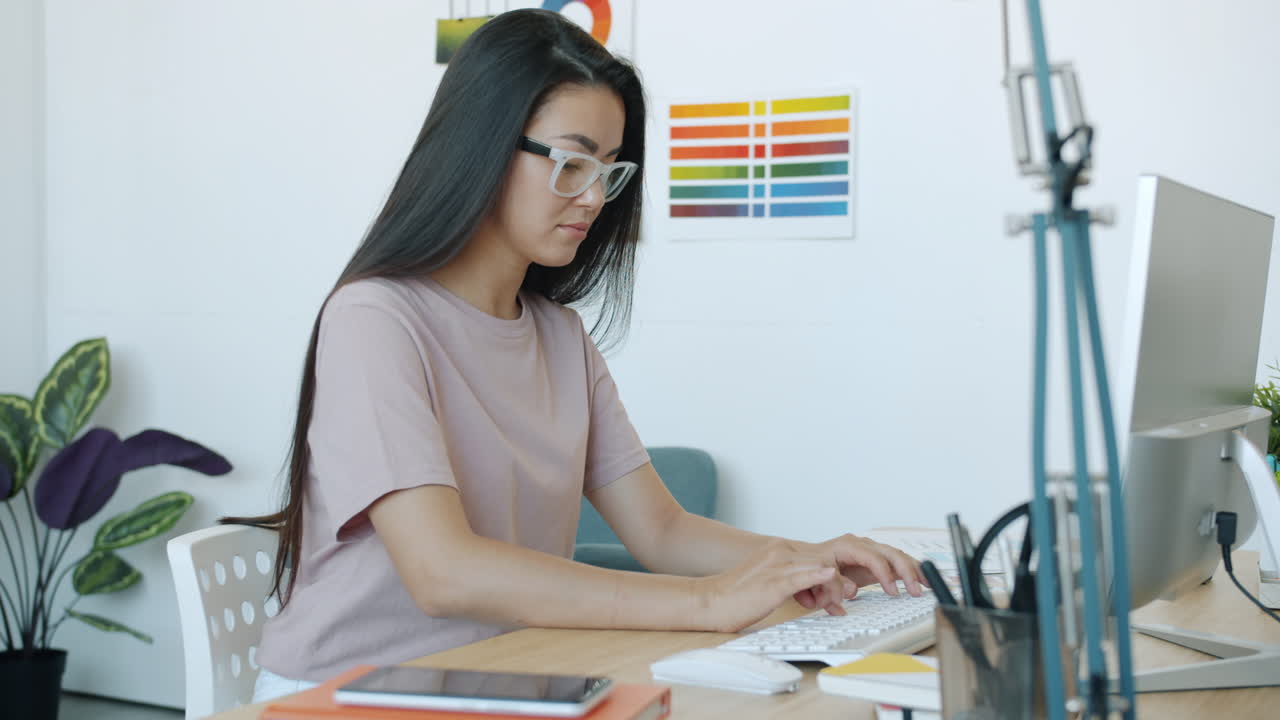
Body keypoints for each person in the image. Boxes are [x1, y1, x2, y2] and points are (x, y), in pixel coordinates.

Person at [227, 8, 926, 702]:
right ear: (483, 146)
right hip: (350, 697)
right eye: (571, 162)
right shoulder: (375, 319)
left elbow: (662, 530)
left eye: (610, 170)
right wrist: (706, 603)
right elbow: (444, 571)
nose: (594, 197)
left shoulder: (561, 336)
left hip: (502, 685)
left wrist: (809, 558)